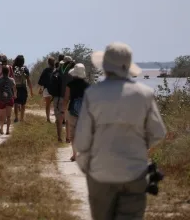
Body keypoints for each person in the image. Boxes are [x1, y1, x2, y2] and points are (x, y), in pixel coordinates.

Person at [74, 42, 167, 220]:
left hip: (99, 173)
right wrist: (140, 146)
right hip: (135, 173)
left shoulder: (93, 94)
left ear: (105, 66)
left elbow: (81, 141)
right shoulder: (144, 94)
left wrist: (86, 163)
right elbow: (158, 133)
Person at [63, 63, 89, 161]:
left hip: (72, 110)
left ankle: (74, 155)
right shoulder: (87, 85)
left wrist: (64, 110)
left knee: (73, 134)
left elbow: (66, 99)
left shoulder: (70, 85)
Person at [51, 56, 74, 142]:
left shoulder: (57, 71)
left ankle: (59, 138)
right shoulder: (73, 73)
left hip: (58, 98)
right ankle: (68, 138)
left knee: (59, 119)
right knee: (67, 119)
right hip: (68, 99)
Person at [12, 55, 34, 123]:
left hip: (15, 87)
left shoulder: (13, 68)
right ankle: (21, 118)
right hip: (23, 88)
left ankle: (16, 117)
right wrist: (31, 90)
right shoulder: (25, 69)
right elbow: (28, 80)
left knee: (15, 103)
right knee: (23, 104)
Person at [0, 65, 16, 135]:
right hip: (10, 98)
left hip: (1, 99)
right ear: (9, 72)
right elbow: (14, 89)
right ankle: (7, 130)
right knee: (8, 116)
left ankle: (1, 128)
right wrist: (15, 95)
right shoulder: (12, 80)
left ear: (2, 72)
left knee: (2, 116)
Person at [37, 56, 56, 122]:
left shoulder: (46, 70)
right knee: (55, 104)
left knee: (48, 105)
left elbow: (41, 80)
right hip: (55, 90)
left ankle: (48, 118)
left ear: (48, 63)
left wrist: (40, 88)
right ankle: (57, 118)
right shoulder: (56, 70)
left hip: (47, 89)